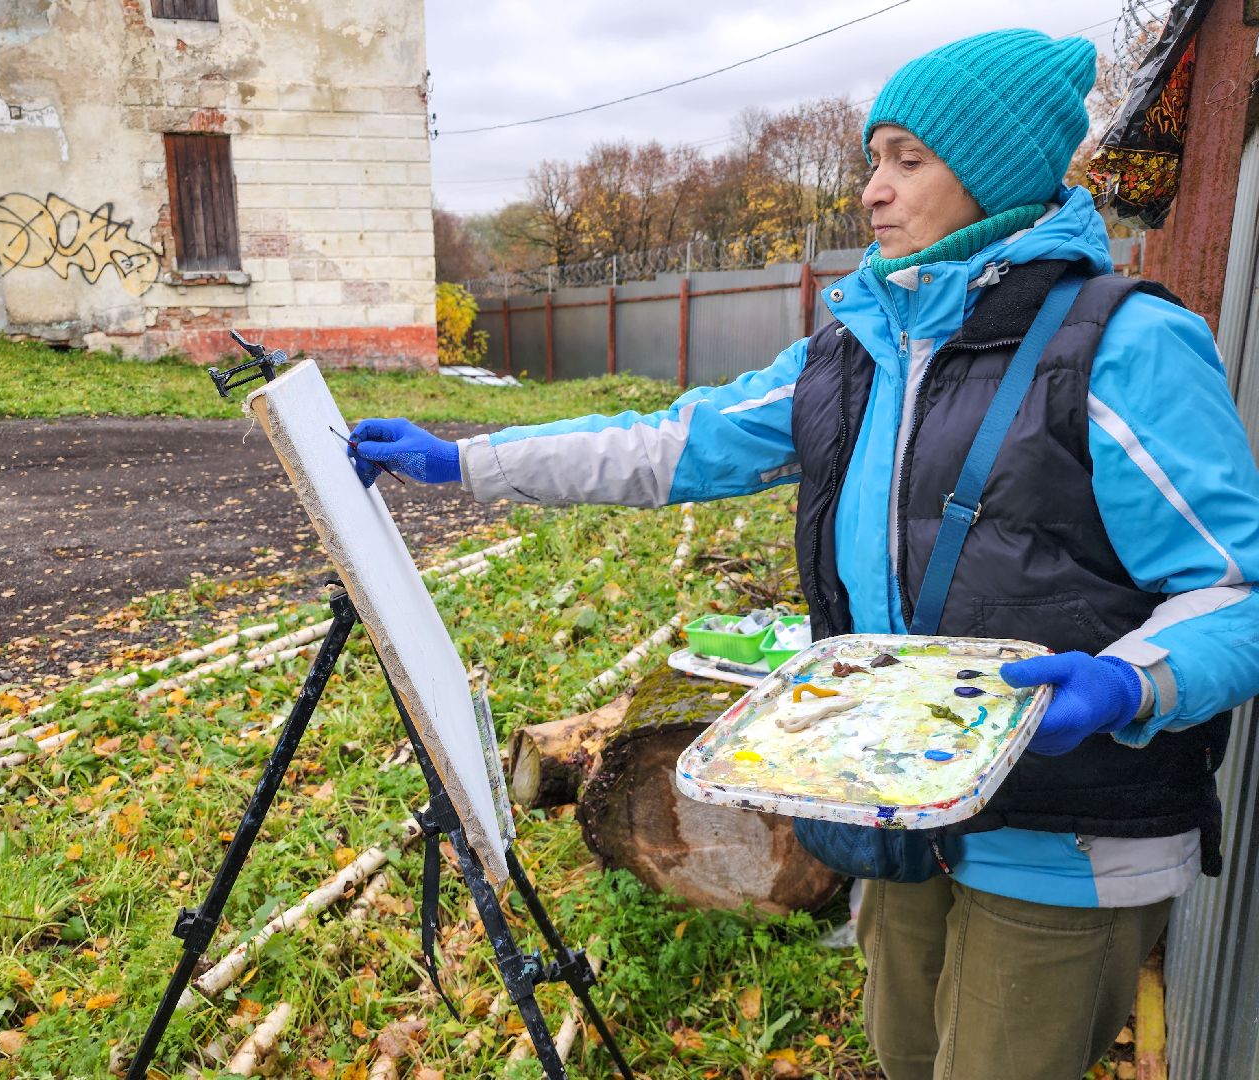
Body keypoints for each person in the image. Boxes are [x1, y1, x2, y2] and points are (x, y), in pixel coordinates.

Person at [349, 28, 1259, 1080]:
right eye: (873, 159)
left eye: (908, 159)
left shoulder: (1124, 346)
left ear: (996, 168)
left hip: (1067, 834)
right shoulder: (857, 347)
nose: (873, 190)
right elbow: (671, 445)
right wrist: (468, 462)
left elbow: (1234, 591)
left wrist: (1126, 682)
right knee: (904, 1053)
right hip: (897, 807)